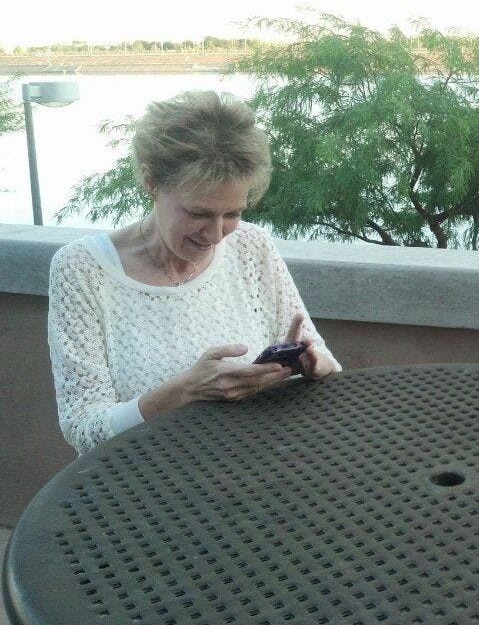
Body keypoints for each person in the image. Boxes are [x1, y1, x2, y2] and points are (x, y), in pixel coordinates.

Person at [48, 90, 340, 455]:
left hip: (261, 471)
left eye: (232, 213)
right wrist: (185, 391)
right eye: (199, 213)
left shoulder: (252, 246)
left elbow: (328, 363)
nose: (216, 235)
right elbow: (83, 428)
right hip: (142, 487)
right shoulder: (84, 269)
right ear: (150, 182)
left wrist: (312, 365)